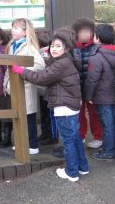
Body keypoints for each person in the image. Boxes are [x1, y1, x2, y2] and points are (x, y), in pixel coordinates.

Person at [11, 28, 88, 182]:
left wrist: (21, 71)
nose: (54, 48)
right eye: (52, 46)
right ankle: (82, 167)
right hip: (70, 106)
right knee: (75, 139)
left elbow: (42, 78)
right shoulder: (66, 61)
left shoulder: (61, 64)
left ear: (66, 48)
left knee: (68, 141)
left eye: (58, 46)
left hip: (64, 107)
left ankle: (71, 172)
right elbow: (51, 69)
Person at [4, 18, 45, 155]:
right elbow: (8, 68)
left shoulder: (29, 47)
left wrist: (22, 71)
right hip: (14, 87)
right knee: (18, 116)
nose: (13, 30)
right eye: (12, 27)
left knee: (29, 116)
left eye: (16, 28)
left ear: (25, 31)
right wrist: (5, 83)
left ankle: (32, 145)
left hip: (26, 86)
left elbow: (40, 65)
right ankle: (22, 143)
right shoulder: (12, 46)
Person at [84, 24, 115, 161]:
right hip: (113, 94)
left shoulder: (97, 56)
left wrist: (88, 96)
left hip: (101, 95)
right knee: (110, 123)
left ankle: (109, 151)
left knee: (107, 125)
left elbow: (92, 79)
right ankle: (109, 147)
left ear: (98, 38)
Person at [72, 18, 103, 148]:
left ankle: (99, 137)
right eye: (82, 31)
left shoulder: (97, 48)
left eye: (88, 31)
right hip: (77, 86)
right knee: (78, 112)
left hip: (92, 86)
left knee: (94, 113)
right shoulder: (73, 48)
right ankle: (80, 135)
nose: (85, 34)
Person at [36, 31, 59, 147]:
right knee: (46, 114)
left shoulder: (46, 54)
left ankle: (52, 136)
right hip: (43, 89)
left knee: (49, 114)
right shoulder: (40, 53)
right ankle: (46, 134)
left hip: (46, 90)